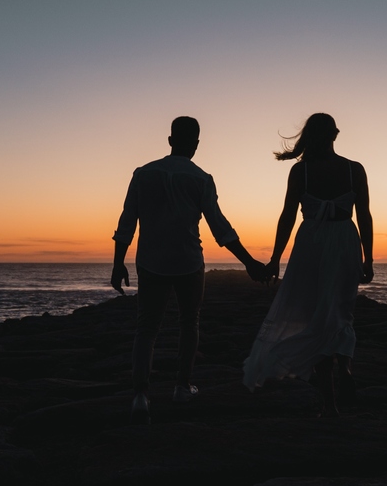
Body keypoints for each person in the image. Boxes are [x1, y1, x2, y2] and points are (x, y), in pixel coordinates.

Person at [112, 116, 267, 422]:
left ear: (170, 141)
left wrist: (118, 264)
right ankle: (182, 386)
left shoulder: (143, 174)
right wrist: (249, 262)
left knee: (147, 327)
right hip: (188, 262)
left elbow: (127, 222)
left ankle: (141, 395)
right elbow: (220, 228)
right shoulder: (201, 178)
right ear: (196, 144)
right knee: (189, 322)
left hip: (151, 262)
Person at [242, 113, 373, 414]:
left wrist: (276, 257)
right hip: (344, 242)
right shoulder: (355, 170)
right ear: (335, 135)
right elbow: (364, 215)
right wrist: (369, 256)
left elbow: (287, 215)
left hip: (311, 244)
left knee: (316, 314)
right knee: (341, 310)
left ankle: (329, 402)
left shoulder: (300, 172)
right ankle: (346, 369)